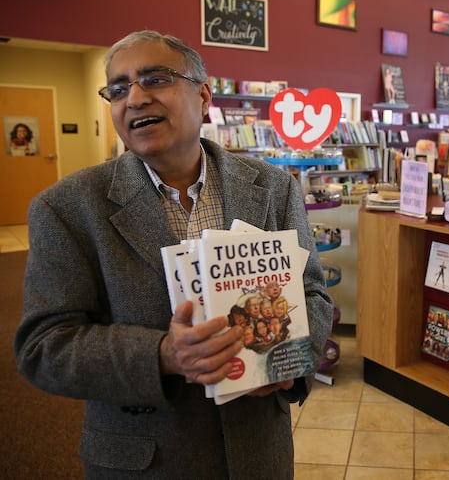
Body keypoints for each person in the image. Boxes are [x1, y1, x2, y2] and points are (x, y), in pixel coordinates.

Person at [14, 29, 333, 479]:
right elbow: (43, 347)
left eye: (155, 79)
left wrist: (291, 365)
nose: (135, 98)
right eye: (118, 88)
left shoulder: (273, 186)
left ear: (203, 96)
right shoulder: (66, 207)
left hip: (258, 451)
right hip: (147, 460)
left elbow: (313, 294)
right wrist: (162, 354)